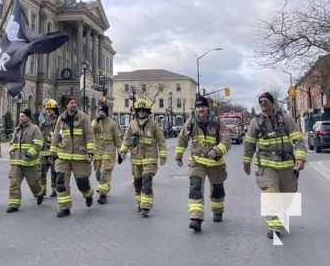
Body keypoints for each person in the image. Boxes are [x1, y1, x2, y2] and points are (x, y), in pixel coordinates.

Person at [243, 92, 307, 239]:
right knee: (271, 194)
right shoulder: (256, 122)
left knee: (288, 195)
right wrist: (246, 162)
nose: (263, 104)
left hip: (286, 166)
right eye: (260, 103)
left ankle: (280, 214)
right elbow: (249, 144)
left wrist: (301, 158)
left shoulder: (286, 119)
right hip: (266, 167)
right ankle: (274, 226)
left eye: (265, 101)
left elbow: (298, 140)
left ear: (272, 103)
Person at [175, 96, 231, 232]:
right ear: (196, 108)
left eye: (203, 106)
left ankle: (218, 211)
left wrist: (217, 150)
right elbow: (182, 139)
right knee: (195, 188)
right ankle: (196, 219)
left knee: (217, 191)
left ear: (208, 108)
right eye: (198, 107)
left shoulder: (218, 123)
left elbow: (226, 140)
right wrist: (178, 154)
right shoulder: (190, 123)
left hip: (215, 163)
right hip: (197, 162)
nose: (200, 109)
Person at [120, 98, 167, 217]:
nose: (141, 112)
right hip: (136, 159)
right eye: (139, 110)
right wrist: (123, 151)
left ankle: (146, 207)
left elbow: (161, 141)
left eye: (143, 110)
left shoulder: (153, 125)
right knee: (138, 183)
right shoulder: (132, 125)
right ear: (136, 112)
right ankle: (140, 202)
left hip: (150, 159)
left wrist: (163, 155)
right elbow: (126, 139)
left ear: (147, 112)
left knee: (147, 180)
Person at [50, 96, 95, 218]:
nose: (74, 105)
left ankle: (88, 194)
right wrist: (52, 152)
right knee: (60, 182)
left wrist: (90, 152)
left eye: (75, 103)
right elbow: (56, 137)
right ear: (66, 105)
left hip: (80, 156)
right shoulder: (61, 118)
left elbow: (89, 135)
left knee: (82, 183)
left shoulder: (84, 117)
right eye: (71, 103)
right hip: (63, 156)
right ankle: (64, 208)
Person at [6, 109, 44, 213]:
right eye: (19, 116)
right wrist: (11, 149)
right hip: (17, 162)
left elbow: (38, 143)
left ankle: (39, 193)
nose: (20, 118)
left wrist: (30, 153)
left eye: (22, 116)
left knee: (34, 184)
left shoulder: (35, 129)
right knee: (14, 183)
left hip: (29, 163)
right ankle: (14, 204)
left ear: (28, 117)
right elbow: (13, 142)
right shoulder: (17, 129)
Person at [92, 104, 122, 204]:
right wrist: (96, 121)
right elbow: (91, 131)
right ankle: (105, 186)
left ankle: (102, 195)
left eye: (102, 111)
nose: (100, 113)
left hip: (109, 152)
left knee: (105, 172)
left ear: (106, 112)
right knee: (98, 174)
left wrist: (120, 152)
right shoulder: (95, 123)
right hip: (98, 152)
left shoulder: (113, 124)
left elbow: (117, 138)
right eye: (99, 111)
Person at [39, 99, 59, 197]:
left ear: (55, 110)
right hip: (43, 150)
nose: (48, 111)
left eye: (50, 109)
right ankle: (42, 190)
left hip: (53, 150)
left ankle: (54, 190)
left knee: (54, 171)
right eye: (47, 109)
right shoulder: (43, 120)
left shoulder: (58, 121)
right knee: (41, 171)